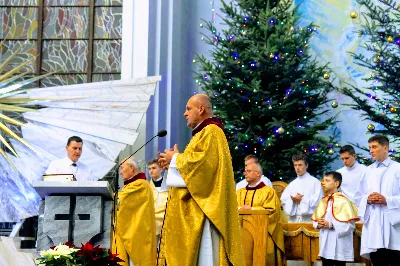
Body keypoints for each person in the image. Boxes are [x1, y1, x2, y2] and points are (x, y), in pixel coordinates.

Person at [157, 94, 245, 265]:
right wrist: (174, 166)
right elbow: (196, 169)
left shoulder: (212, 131)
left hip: (204, 213)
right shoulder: (202, 134)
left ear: (201, 109)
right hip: (199, 209)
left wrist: (175, 158)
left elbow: (204, 169)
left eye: (188, 108)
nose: (185, 113)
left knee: (205, 258)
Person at [354, 135, 400, 265]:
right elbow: (358, 196)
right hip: (374, 227)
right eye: (370, 148)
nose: (371, 151)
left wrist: (387, 200)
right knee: (378, 261)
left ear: (385, 147)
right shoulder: (367, 171)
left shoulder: (398, 169)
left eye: (374, 147)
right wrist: (367, 199)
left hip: (395, 227)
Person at [236, 162, 285, 266]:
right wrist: (240, 208)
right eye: (245, 171)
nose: (245, 173)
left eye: (249, 171)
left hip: (263, 234)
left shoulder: (268, 192)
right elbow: (232, 208)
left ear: (258, 173)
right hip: (242, 234)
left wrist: (252, 209)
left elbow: (273, 211)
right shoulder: (239, 192)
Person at [113, 157, 156, 266]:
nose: (121, 172)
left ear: (131, 168)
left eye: (122, 168)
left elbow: (120, 203)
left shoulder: (140, 185)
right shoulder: (135, 184)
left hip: (137, 239)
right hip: (133, 235)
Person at [312, 171, 359, 266]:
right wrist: (318, 223)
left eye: (327, 180)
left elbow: (350, 226)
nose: (323, 183)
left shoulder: (344, 201)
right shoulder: (323, 201)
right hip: (326, 244)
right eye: (323, 180)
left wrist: (331, 224)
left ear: (336, 183)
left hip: (339, 246)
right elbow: (315, 221)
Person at [280, 153, 324, 222]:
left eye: (300, 165)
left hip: (310, 220)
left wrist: (302, 200)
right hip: (294, 220)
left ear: (306, 165)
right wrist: (292, 200)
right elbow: (284, 200)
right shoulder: (292, 184)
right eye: (295, 165)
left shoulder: (315, 182)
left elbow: (318, 201)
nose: (297, 168)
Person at [147, 159, 168, 243]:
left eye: (153, 168)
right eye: (149, 169)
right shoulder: (147, 187)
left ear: (160, 169)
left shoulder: (169, 185)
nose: (151, 171)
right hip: (152, 223)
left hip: (166, 222)